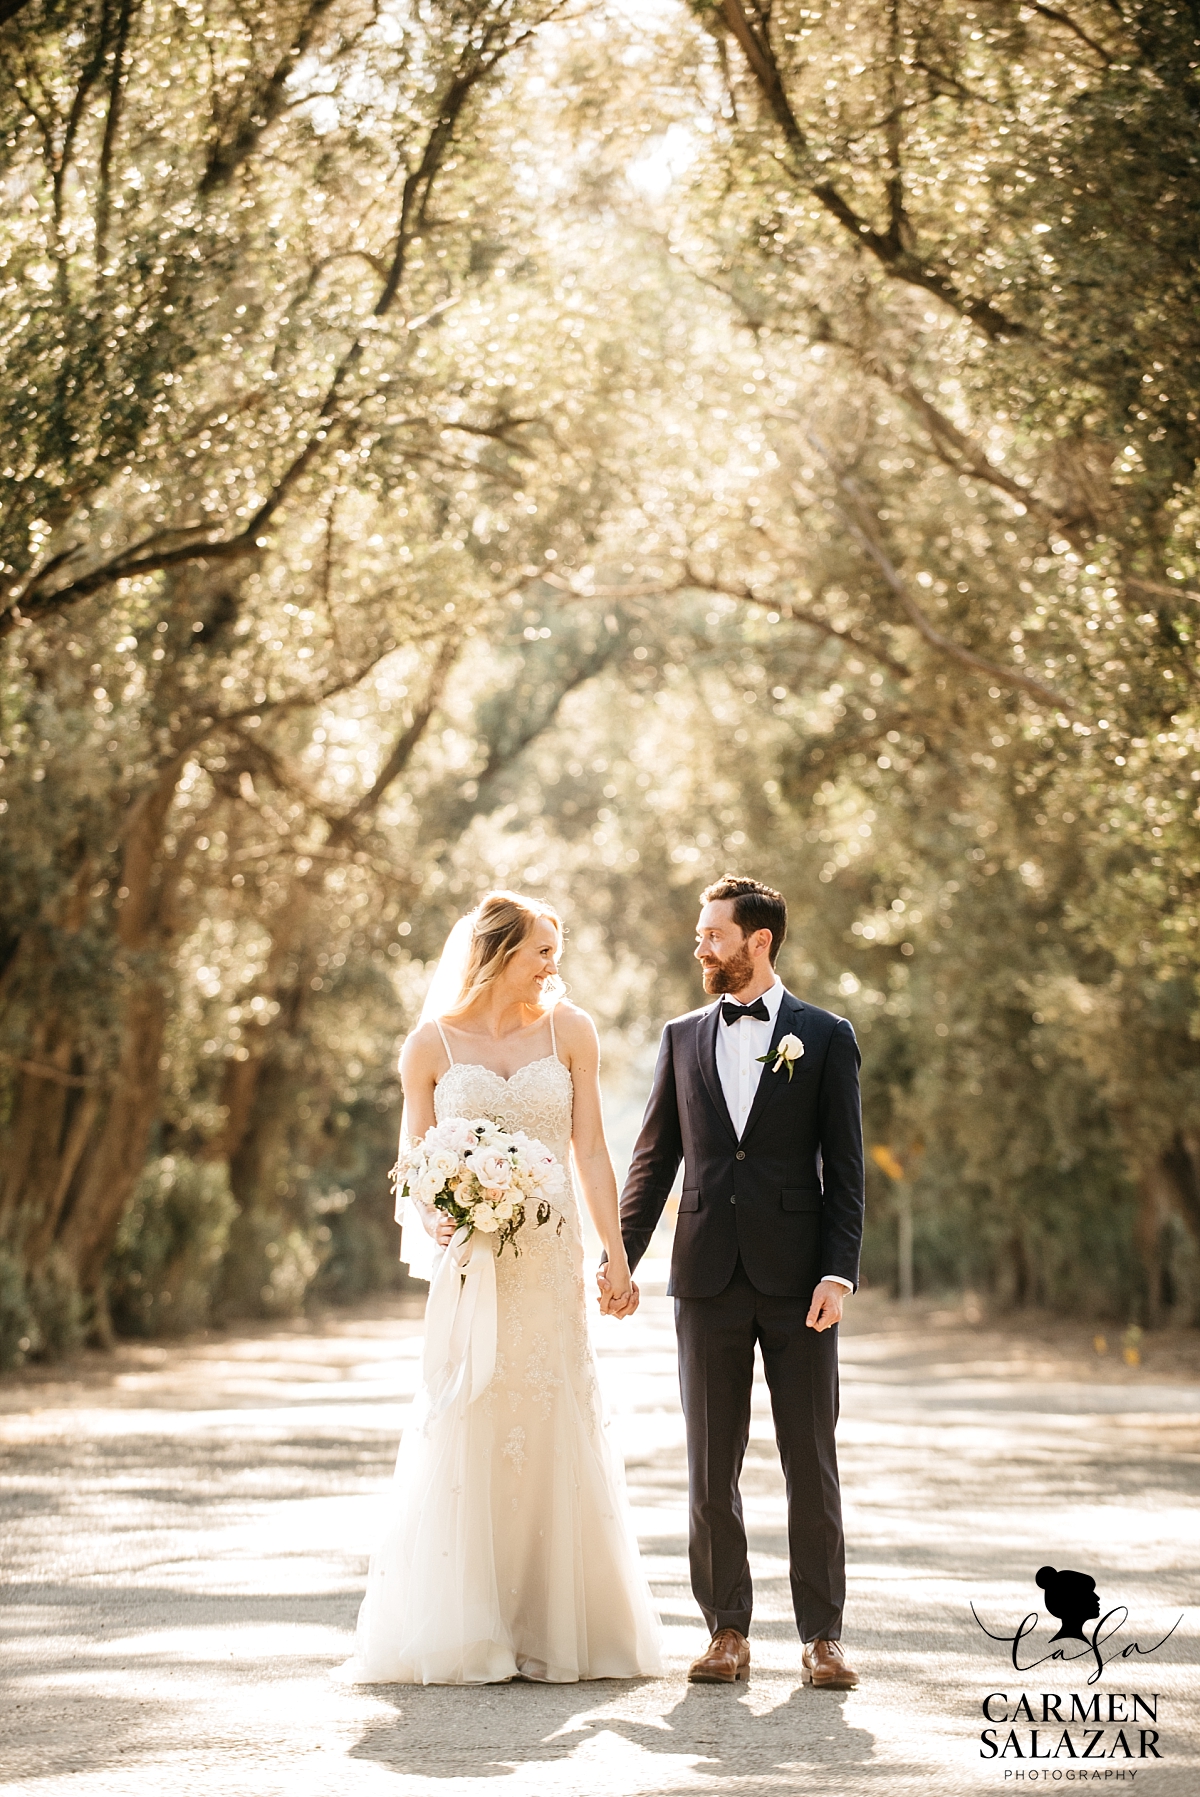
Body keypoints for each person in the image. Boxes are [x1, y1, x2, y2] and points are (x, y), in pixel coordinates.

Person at [348, 890, 662, 1685]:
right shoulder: (429, 1047)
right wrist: (443, 1220)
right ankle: (472, 1622)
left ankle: (552, 1622)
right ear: (495, 953)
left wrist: (615, 1256)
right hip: (475, 1261)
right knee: (474, 1407)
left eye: (556, 951)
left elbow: (590, 1149)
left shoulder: (571, 1031)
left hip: (551, 1257)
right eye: (542, 951)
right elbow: (415, 1170)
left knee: (550, 1405)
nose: (554, 966)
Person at [614, 875, 864, 1690]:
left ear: (758, 940)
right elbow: (655, 1160)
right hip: (707, 1277)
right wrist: (621, 1256)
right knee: (709, 1463)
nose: (701, 946)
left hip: (800, 1284)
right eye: (700, 933)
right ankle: (726, 1629)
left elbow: (847, 1169)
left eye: (713, 933)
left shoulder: (824, 1035)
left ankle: (822, 1636)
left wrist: (838, 1272)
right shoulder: (682, 1035)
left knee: (810, 1460)